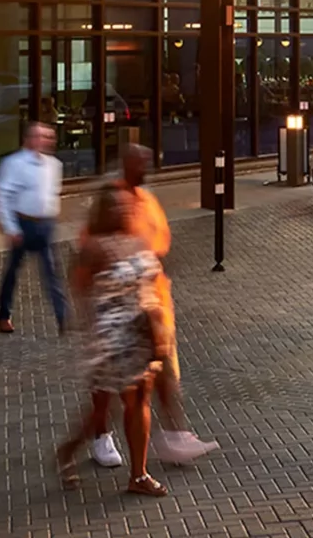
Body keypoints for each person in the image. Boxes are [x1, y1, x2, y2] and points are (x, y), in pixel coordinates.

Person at [87, 144, 217, 468]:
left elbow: (160, 246)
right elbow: (89, 263)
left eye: (148, 159)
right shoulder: (110, 202)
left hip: (152, 304)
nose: (147, 165)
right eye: (139, 160)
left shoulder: (147, 200)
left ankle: (172, 435)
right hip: (116, 314)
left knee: (162, 373)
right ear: (126, 165)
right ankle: (95, 437)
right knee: (111, 388)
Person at [55, 186, 168, 497]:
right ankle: (69, 450)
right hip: (109, 334)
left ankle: (138, 474)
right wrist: (90, 332)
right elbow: (80, 290)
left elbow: (152, 283)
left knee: (139, 399)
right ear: (105, 212)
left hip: (141, 330)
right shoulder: (93, 248)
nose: (126, 211)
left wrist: (157, 324)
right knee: (106, 409)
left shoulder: (138, 240)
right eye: (118, 207)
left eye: (127, 206)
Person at [0, 121, 67, 335]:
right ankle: (4, 314)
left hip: (45, 224)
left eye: (48, 136)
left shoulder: (55, 165)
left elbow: (53, 193)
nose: (46, 140)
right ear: (29, 139)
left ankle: (62, 316)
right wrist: (10, 227)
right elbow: (2, 195)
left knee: (51, 271)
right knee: (13, 271)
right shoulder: (14, 164)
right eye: (41, 136)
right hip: (22, 223)